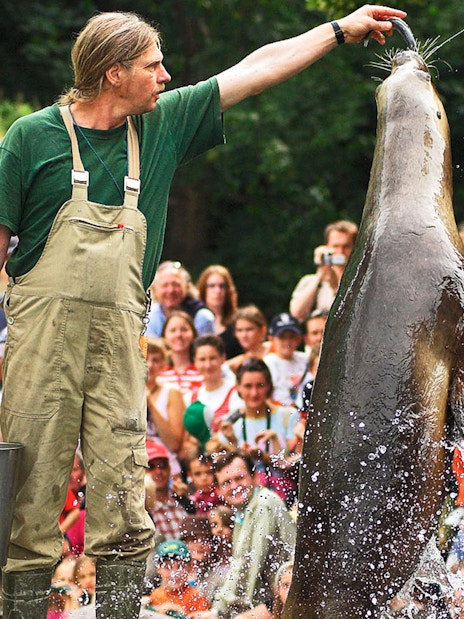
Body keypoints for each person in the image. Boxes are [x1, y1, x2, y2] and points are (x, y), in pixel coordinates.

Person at [0, 6, 406, 617]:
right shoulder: (32, 137)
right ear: (113, 74)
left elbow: (256, 68)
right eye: (151, 65)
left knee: (122, 497)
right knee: (27, 502)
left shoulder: (161, 127)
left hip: (117, 339)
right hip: (38, 341)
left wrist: (338, 30)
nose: (165, 75)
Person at [192, 451, 296, 619]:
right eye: (226, 482)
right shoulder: (243, 511)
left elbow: (249, 565)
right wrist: (218, 609)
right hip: (274, 599)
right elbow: (239, 565)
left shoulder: (264, 503)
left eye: (239, 478)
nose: (234, 486)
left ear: (255, 477)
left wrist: (219, 613)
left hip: (286, 598)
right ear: (218, 490)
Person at [216, 358, 299, 505]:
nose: (254, 393)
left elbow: (296, 463)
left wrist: (266, 457)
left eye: (259, 385)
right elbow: (225, 474)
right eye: (248, 386)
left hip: (286, 499)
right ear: (238, 388)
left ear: (268, 387)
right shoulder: (230, 424)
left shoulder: (288, 416)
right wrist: (235, 447)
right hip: (247, 503)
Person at [289, 220, 358, 321]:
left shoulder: (361, 281)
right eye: (335, 246)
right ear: (327, 247)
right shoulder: (310, 281)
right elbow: (297, 313)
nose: (340, 252)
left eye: (346, 247)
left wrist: (335, 286)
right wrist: (319, 276)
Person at [184, 335, 242, 448]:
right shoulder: (190, 397)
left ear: (223, 358)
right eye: (202, 359)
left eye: (212, 358)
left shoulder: (236, 393)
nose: (208, 365)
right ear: (194, 362)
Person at [146, 336, 185, 475]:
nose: (150, 365)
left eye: (155, 360)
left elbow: (173, 444)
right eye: (145, 359)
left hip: (165, 466)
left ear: (163, 365)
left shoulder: (171, 392)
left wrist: (150, 404)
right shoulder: (126, 393)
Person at [146, 261, 215, 338]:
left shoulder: (202, 317)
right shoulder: (149, 316)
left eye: (176, 285)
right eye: (164, 285)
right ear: (155, 289)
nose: (170, 290)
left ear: (186, 287)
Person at [148, 539, 211, 616]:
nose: (174, 574)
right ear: (158, 569)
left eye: (180, 567)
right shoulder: (156, 595)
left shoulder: (197, 598)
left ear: (190, 568)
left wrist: (180, 613)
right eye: (168, 567)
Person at [146, 439, 189, 544]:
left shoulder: (184, 503)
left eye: (162, 465)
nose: (158, 471)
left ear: (169, 469)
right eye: (151, 467)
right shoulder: (142, 512)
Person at [263, 313, 310, 409]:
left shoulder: (306, 360)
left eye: (291, 337)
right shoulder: (266, 364)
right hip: (279, 413)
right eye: (282, 337)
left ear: (299, 338)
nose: (287, 342)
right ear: (271, 339)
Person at [157, 310, 204, 407]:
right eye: (172, 330)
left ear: (194, 334)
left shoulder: (204, 370)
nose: (178, 335)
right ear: (164, 337)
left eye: (184, 330)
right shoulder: (157, 373)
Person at [196, 265, 243, 359]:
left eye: (222, 286)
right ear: (203, 289)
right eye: (212, 286)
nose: (217, 291)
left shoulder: (237, 321)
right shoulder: (194, 318)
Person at [227, 305, 271, 374]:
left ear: (263, 330)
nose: (244, 335)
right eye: (239, 330)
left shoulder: (275, 349)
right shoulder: (237, 364)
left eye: (249, 329)